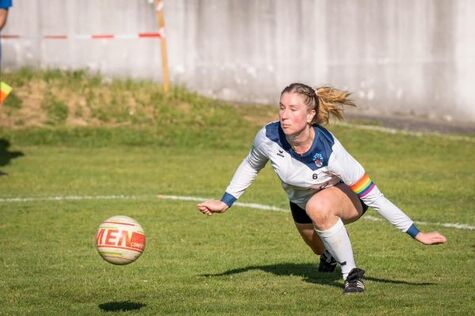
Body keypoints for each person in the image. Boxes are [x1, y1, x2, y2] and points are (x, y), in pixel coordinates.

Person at [196, 83, 447, 294]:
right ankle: (329, 253)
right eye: (282, 107)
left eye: (293, 109)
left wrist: (417, 234)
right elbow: (251, 165)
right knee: (317, 247)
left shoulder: (331, 152)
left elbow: (375, 197)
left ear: (309, 115)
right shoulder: (268, 137)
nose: (284, 115)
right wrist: (225, 201)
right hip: (299, 202)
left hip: (346, 198)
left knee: (319, 208)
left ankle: (352, 274)